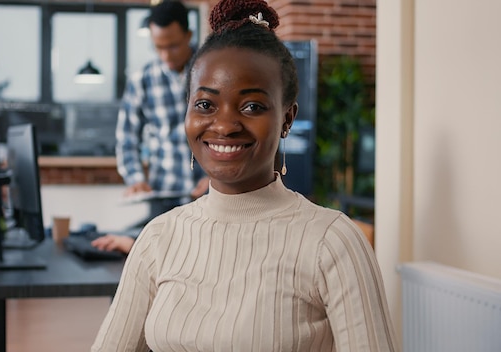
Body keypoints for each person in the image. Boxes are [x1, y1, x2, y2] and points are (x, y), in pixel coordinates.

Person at [91, 0, 399, 350]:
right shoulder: (158, 238)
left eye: (252, 106)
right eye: (205, 105)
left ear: (287, 118)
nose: (223, 125)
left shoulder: (332, 241)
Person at [92, 0, 208, 254]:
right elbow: (126, 138)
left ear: (189, 35)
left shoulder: (211, 71)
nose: (166, 55)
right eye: (158, 47)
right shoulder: (142, 80)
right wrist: (135, 178)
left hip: (210, 196)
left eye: (174, 46)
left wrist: (217, 177)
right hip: (162, 197)